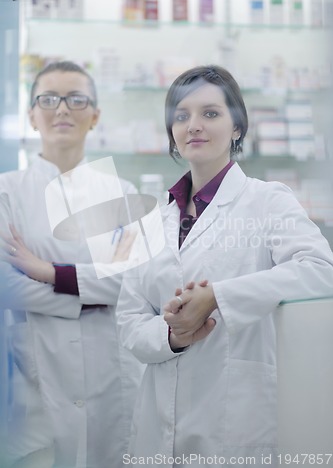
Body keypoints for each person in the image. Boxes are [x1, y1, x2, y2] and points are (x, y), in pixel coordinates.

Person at [116, 65, 333, 467]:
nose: (194, 125)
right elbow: (129, 319)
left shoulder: (268, 201)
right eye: (181, 116)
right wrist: (174, 335)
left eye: (210, 113)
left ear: (237, 127)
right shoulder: (149, 220)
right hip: (157, 416)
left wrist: (218, 297)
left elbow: (320, 268)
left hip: (233, 416)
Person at [0, 61, 144, 468]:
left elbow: (132, 283)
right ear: (31, 115)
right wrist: (90, 296)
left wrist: (46, 272)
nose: (62, 109)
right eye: (48, 99)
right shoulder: (6, 191)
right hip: (36, 370)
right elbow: (7, 284)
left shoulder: (122, 191)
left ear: (95, 115)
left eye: (76, 99)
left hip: (110, 370)